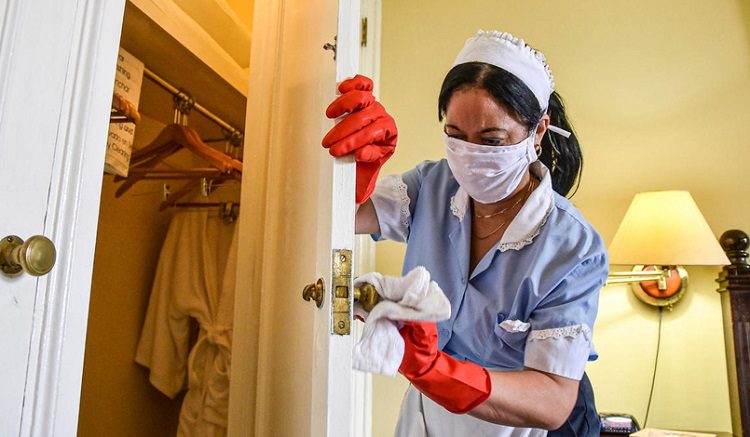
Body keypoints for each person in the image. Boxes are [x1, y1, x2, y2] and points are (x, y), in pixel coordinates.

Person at [322, 30, 607, 436]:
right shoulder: (433, 186)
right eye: (455, 136)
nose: (471, 155)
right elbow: (341, 217)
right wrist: (355, 173)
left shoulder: (573, 247)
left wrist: (438, 371)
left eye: (491, 140)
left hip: (520, 421)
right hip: (431, 413)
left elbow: (552, 400)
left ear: (539, 132)